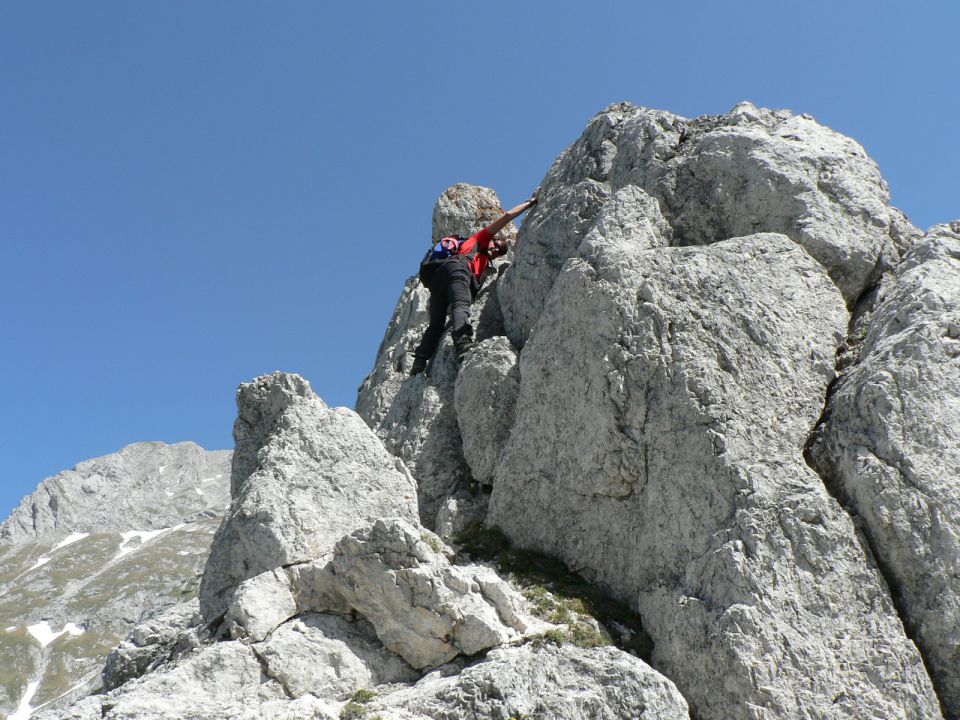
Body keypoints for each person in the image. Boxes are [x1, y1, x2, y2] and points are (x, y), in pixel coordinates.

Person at [410, 190, 539, 376]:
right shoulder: (480, 240)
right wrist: (530, 202)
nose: (495, 249)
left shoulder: (483, 264)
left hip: (438, 279)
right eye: (496, 244)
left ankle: (419, 363)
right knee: (461, 304)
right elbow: (508, 216)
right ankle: (463, 344)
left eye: (500, 250)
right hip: (457, 268)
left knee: (436, 324)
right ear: (492, 240)